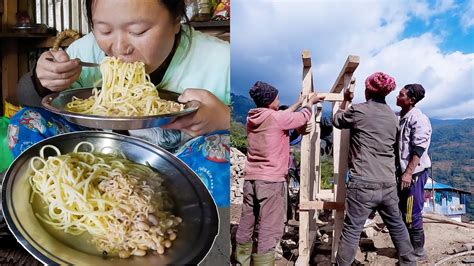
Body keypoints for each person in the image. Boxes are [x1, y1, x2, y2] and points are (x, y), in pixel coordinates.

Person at [7, 0, 230, 206]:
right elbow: (29, 101)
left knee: (226, 152)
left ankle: (165, 210)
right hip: (94, 161)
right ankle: (77, 201)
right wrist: (42, 81)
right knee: (25, 122)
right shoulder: (84, 51)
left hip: (178, 172)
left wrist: (225, 118)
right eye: (104, 30)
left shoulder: (222, 61)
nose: (120, 47)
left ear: (175, 20)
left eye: (138, 31)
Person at [235, 81, 324, 266]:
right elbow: (302, 118)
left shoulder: (253, 117)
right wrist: (310, 103)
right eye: (277, 98)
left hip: (251, 178)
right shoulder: (276, 118)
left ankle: (241, 260)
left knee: (247, 220)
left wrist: (298, 102)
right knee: (270, 226)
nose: (279, 101)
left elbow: (281, 115)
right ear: (270, 102)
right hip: (271, 181)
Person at [332, 72, 416, 266]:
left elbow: (337, 120)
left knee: (352, 230)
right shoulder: (393, 117)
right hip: (387, 183)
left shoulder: (359, 111)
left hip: (363, 182)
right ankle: (410, 262)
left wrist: (345, 101)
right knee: (397, 225)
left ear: (367, 90)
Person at [396, 84, 432, 260]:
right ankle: (406, 247)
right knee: (402, 210)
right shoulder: (399, 116)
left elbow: (418, 148)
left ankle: (418, 251)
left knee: (411, 212)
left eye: (401, 95)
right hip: (402, 172)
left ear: (411, 100)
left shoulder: (418, 119)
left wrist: (408, 173)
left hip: (414, 173)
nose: (397, 96)